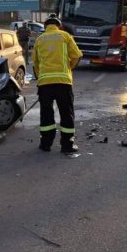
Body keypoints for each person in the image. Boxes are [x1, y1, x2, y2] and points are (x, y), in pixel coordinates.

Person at [31, 14, 82, 154]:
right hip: (63, 82)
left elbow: (35, 63)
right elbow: (77, 56)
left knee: (46, 114)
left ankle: (45, 144)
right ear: (58, 25)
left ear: (46, 26)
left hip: (45, 83)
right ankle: (67, 145)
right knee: (66, 113)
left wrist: (40, 80)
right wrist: (69, 68)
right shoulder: (65, 36)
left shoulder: (39, 39)